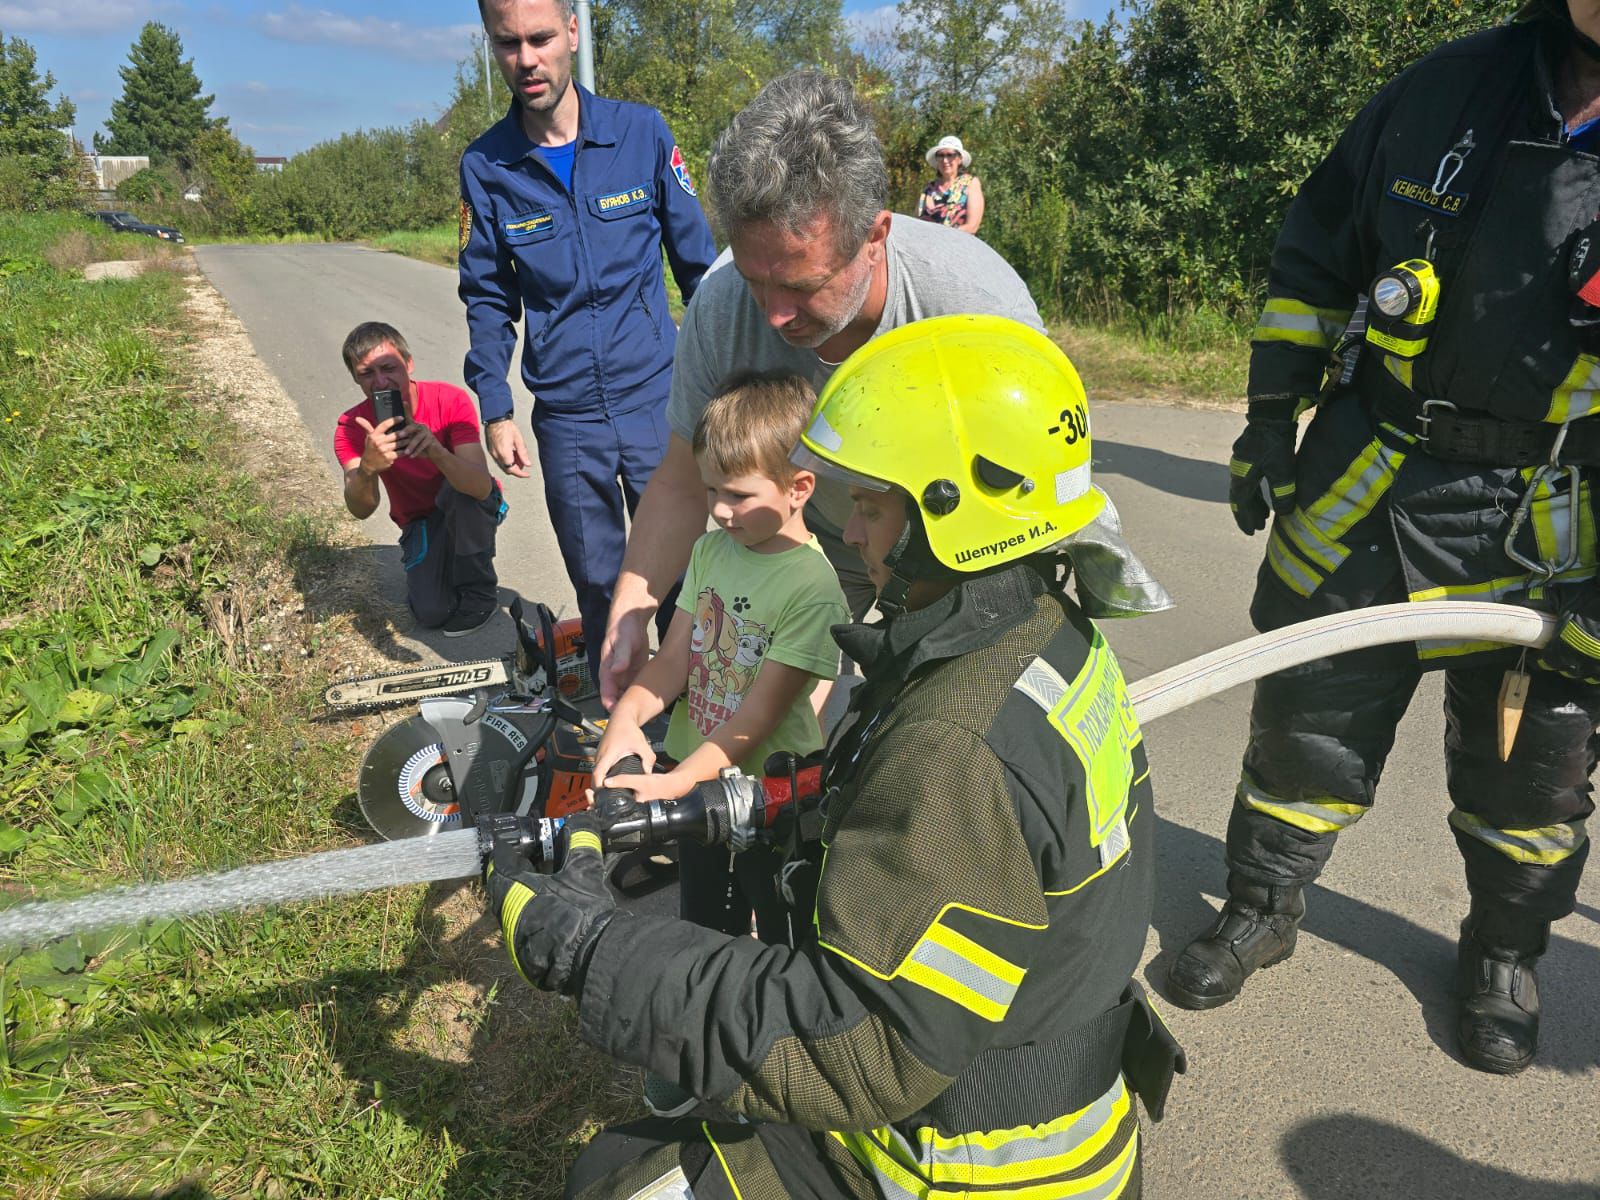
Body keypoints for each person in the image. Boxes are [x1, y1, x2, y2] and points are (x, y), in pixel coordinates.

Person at [484, 315, 1183, 1199]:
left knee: (617, 1180)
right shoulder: (1044, 634)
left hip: (960, 1165)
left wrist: (592, 952)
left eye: (870, 504)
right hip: (1057, 1118)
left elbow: (855, 1044)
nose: (849, 532)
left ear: (951, 515)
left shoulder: (955, 743)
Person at [1167, 0, 1600, 1076]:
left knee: (1530, 770)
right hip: (1373, 469)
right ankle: (1262, 905)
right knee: (1309, 719)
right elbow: (1316, 253)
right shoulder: (1441, 91)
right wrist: (1270, 416)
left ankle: (1502, 953)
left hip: (1550, 510)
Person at [598, 70, 1151, 710]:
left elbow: (1031, 505)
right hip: (815, 543)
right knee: (796, 740)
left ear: (875, 236)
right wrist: (632, 612)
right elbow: (679, 480)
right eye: (758, 280)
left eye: (802, 287)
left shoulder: (975, 306)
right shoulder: (723, 304)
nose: (773, 315)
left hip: (957, 558)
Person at [459, 0, 717, 672]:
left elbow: (701, 270)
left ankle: (691, 717)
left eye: (541, 38)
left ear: (572, 31)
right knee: (600, 585)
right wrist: (494, 406)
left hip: (658, 404)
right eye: (508, 44)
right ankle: (621, 721)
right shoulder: (489, 166)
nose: (527, 60)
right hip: (569, 421)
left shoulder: (642, 134)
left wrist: (730, 384)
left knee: (682, 580)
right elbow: (488, 296)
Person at [591, 372, 849, 946]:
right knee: (705, 918)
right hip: (694, 774)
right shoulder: (710, 552)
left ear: (798, 487)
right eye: (711, 492)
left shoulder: (813, 588)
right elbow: (673, 661)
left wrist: (675, 782)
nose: (720, 512)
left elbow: (756, 721)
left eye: (738, 494)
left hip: (769, 798)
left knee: (779, 925)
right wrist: (626, 718)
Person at [334, 322, 506, 636]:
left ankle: (480, 592)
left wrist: (437, 453)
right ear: (355, 378)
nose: (381, 381)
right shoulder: (350, 426)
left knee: (460, 495)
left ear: (409, 363)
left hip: (466, 498)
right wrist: (368, 470)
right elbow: (360, 509)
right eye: (366, 373)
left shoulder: (450, 400)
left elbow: (480, 487)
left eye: (389, 368)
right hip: (419, 520)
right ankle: (446, 558)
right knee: (431, 613)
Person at [916, 134, 985, 234]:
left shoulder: (970, 183)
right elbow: (916, 221)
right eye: (941, 155)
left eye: (950, 155)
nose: (945, 160)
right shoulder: (928, 190)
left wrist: (943, 234)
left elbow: (972, 226)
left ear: (959, 159)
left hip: (957, 245)